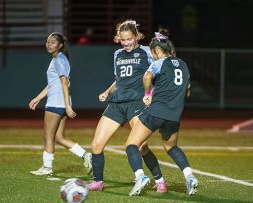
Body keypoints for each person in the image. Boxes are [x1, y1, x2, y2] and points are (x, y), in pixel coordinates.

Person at [87, 20, 167, 193]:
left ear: (136, 36)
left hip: (137, 103)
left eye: (129, 39)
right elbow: (119, 80)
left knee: (141, 145)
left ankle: (159, 180)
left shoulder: (147, 52)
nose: (126, 43)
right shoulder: (117, 54)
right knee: (96, 145)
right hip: (117, 103)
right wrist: (107, 92)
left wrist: (152, 95)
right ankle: (98, 182)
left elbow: (160, 73)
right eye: (123, 40)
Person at [125, 28, 198, 196]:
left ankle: (141, 177)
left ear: (157, 50)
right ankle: (190, 176)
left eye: (153, 53)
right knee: (171, 147)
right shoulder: (184, 65)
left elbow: (146, 77)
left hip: (156, 111)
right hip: (174, 116)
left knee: (132, 145)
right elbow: (187, 92)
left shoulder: (159, 62)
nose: (153, 56)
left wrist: (148, 94)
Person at [29, 32, 92, 176]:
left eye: (52, 42)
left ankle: (47, 167)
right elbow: (53, 84)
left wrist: (67, 106)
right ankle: (86, 156)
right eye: (48, 42)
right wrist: (38, 98)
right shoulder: (58, 59)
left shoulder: (59, 59)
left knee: (48, 136)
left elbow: (64, 82)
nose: (49, 44)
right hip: (61, 103)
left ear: (60, 45)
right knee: (59, 137)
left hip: (57, 103)